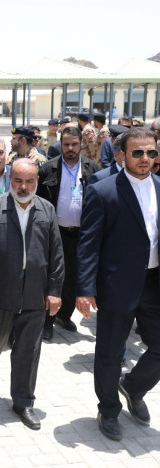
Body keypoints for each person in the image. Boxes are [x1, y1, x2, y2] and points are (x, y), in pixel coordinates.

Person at [76, 127, 160, 441]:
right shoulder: (103, 190)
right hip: (117, 286)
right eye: (137, 152)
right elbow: (88, 244)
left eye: (151, 152)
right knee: (110, 354)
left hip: (154, 284)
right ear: (122, 154)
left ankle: (134, 387)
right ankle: (109, 410)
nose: (145, 159)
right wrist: (85, 289)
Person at [0, 159, 64, 430]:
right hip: (0, 292)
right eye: (18, 181)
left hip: (35, 294)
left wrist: (55, 291)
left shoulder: (47, 210)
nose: (23, 187)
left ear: (37, 181)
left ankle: (23, 402)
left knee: (29, 350)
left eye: (29, 181)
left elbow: (56, 254)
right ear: (9, 179)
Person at [36, 125, 100, 340]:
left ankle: (64, 315)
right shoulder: (47, 169)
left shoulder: (94, 169)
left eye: (74, 144)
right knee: (53, 276)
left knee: (74, 276)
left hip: (82, 235)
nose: (70, 148)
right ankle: (47, 321)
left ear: (81, 143)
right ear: (60, 145)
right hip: (55, 234)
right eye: (66, 144)